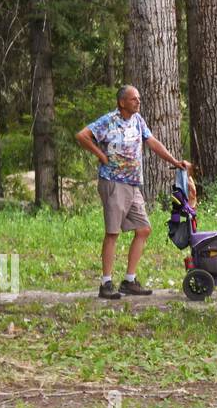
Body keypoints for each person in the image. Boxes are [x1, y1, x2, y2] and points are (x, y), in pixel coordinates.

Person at [75, 85, 190, 299]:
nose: (138, 101)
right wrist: (101, 155)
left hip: (133, 184)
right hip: (113, 182)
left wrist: (174, 161)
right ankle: (106, 282)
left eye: (139, 98)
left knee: (144, 229)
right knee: (113, 232)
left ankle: (129, 280)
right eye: (133, 99)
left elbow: (152, 142)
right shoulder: (108, 121)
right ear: (122, 102)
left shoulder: (138, 121)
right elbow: (82, 136)